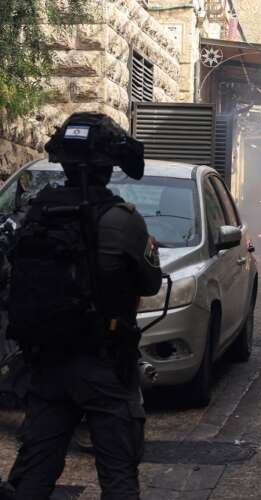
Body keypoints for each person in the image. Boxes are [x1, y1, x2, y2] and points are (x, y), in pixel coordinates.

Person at [5, 113, 163, 498]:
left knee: (35, 472)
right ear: (109, 167)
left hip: (45, 363)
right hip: (103, 364)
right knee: (118, 472)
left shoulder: (34, 213)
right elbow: (150, 282)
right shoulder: (120, 219)